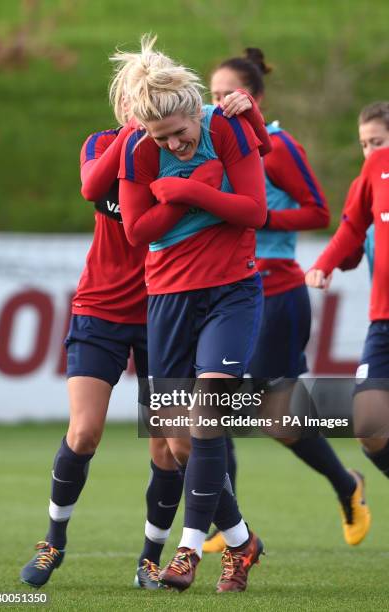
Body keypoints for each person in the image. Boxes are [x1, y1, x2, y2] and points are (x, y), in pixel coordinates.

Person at [111, 34, 268, 593]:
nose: (175, 144)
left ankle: (189, 549)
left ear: (192, 110)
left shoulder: (222, 127)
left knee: (205, 420)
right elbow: (136, 231)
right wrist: (188, 189)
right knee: (178, 442)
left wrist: (183, 192)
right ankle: (244, 541)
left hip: (232, 291)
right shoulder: (136, 149)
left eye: (181, 133)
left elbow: (255, 211)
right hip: (168, 298)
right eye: (162, 139)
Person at [203, 48, 371, 553]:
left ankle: (348, 486)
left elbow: (318, 211)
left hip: (276, 292)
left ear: (252, 98)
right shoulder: (212, 146)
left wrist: (256, 215)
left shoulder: (275, 145)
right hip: (226, 292)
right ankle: (225, 524)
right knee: (210, 404)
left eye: (226, 95)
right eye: (210, 96)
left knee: (276, 420)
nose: (216, 104)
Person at [19, 115, 188, 590]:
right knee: (84, 431)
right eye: (137, 102)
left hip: (163, 312)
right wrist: (129, 135)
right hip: (100, 310)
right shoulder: (100, 144)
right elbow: (92, 185)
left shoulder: (182, 154)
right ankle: (53, 542)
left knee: (167, 447)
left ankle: (150, 559)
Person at [306, 101, 389, 483]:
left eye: (379, 142)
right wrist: (324, 263)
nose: (371, 152)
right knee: (369, 425)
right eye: (365, 143)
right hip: (383, 321)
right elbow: (353, 228)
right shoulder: (373, 172)